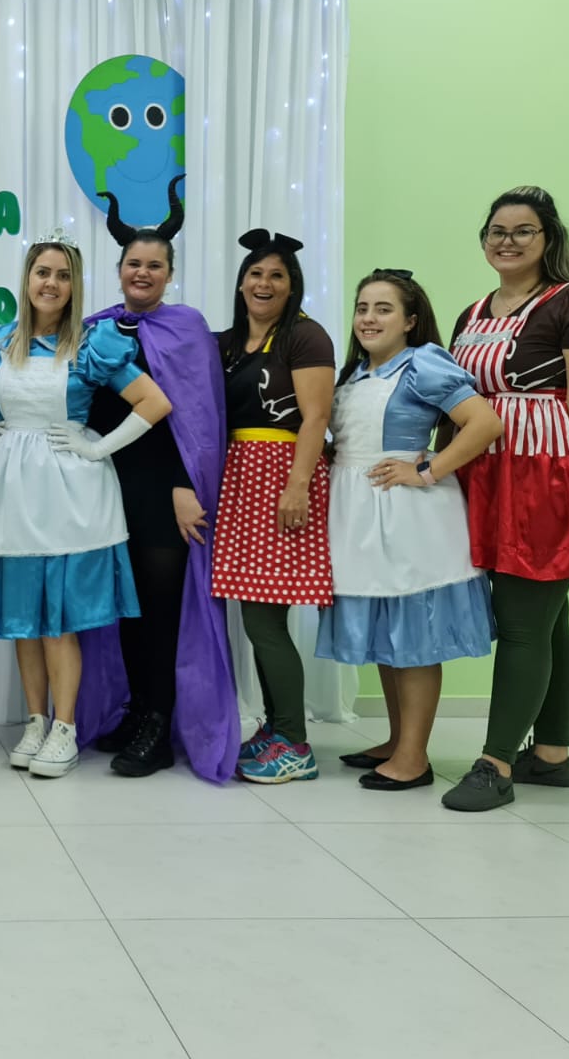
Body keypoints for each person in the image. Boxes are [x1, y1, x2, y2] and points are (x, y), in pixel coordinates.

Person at [0, 233, 172, 779]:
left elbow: (154, 402)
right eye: (42, 273)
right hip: (10, 490)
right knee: (24, 619)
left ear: (74, 286)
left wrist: (97, 447)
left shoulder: (91, 346)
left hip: (69, 494)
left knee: (57, 621)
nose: (51, 283)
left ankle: (65, 727)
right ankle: (35, 721)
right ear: (27, 279)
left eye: (63, 275)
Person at [440, 187, 569, 812]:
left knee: (522, 623)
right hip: (488, 474)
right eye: (497, 230)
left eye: (523, 231)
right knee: (549, 620)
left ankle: (495, 764)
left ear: (548, 240)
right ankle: (550, 755)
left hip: (547, 478)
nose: (508, 241)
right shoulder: (472, 312)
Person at [315, 270, 502, 791]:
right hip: (357, 512)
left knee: (413, 635)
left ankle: (414, 757)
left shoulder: (423, 363)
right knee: (386, 631)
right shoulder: (353, 374)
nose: (369, 318)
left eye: (384, 309)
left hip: (407, 517)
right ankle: (398, 741)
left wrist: (427, 470)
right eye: (363, 308)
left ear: (410, 321)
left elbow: (485, 423)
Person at [83, 185, 239, 783]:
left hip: (165, 492)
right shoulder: (97, 328)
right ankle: (134, 709)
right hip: (109, 487)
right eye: (134, 264)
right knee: (123, 607)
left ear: (169, 274)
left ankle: (160, 722)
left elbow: (198, 417)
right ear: (119, 270)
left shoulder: (187, 328)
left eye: (154, 265)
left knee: (160, 608)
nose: (142, 273)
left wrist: (183, 484)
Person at [210, 230, 335, 785]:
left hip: (280, 476)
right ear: (241, 283)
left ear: (292, 286)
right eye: (256, 273)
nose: (264, 283)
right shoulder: (230, 343)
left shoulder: (304, 336)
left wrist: (297, 486)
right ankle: (276, 727)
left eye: (276, 275)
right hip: (241, 478)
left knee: (264, 619)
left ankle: (295, 743)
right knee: (256, 616)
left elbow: (315, 417)